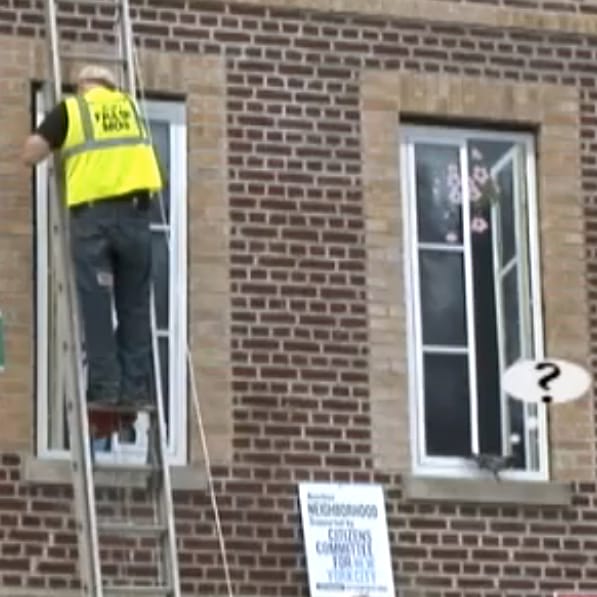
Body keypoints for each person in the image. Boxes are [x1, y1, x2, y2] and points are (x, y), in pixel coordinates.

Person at [22, 65, 163, 439]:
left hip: (95, 224)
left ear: (83, 86)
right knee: (134, 307)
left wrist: (55, 146)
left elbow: (30, 153)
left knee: (97, 308)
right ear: (112, 87)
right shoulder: (132, 109)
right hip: (136, 221)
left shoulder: (73, 110)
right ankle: (134, 389)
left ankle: (105, 390)